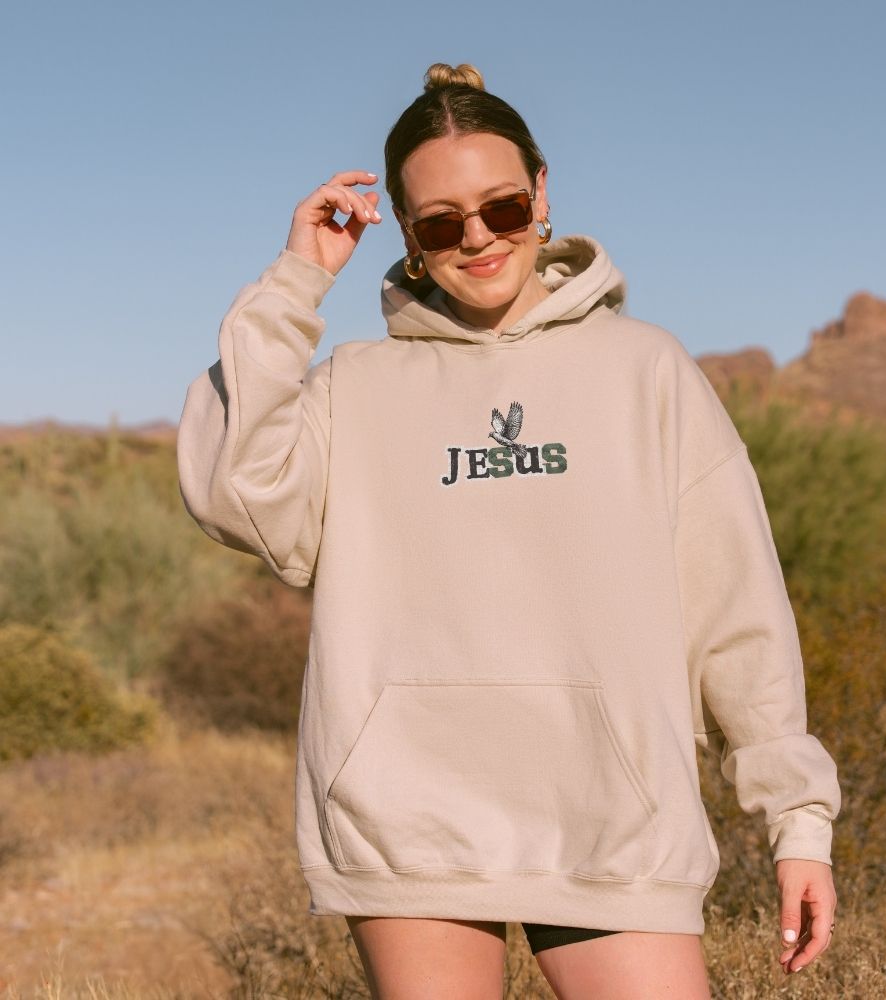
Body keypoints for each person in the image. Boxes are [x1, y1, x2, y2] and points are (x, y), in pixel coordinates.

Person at [177, 61, 841, 999]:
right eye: (441, 223)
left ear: (542, 195)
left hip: (615, 813)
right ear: (407, 235)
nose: (479, 238)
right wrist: (295, 282)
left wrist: (797, 819)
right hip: (406, 813)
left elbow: (737, 610)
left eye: (502, 208)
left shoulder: (646, 370)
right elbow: (233, 492)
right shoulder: (355, 387)